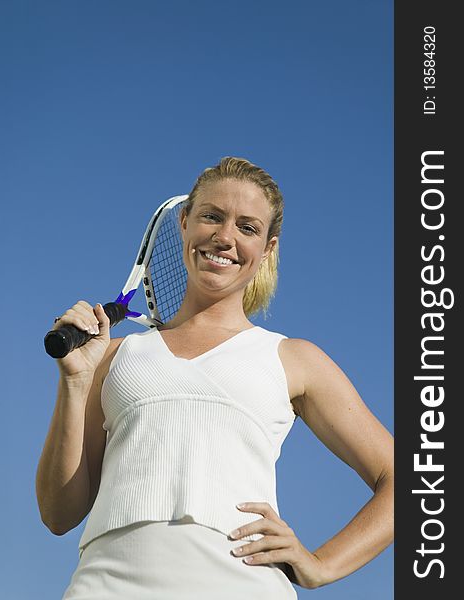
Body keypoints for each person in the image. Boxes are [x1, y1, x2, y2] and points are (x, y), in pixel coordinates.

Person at [36, 157, 393, 599]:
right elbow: (58, 514)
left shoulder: (294, 359)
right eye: (211, 216)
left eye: (248, 227)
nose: (225, 237)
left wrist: (319, 565)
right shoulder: (110, 356)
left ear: (268, 249)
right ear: (184, 223)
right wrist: (74, 382)